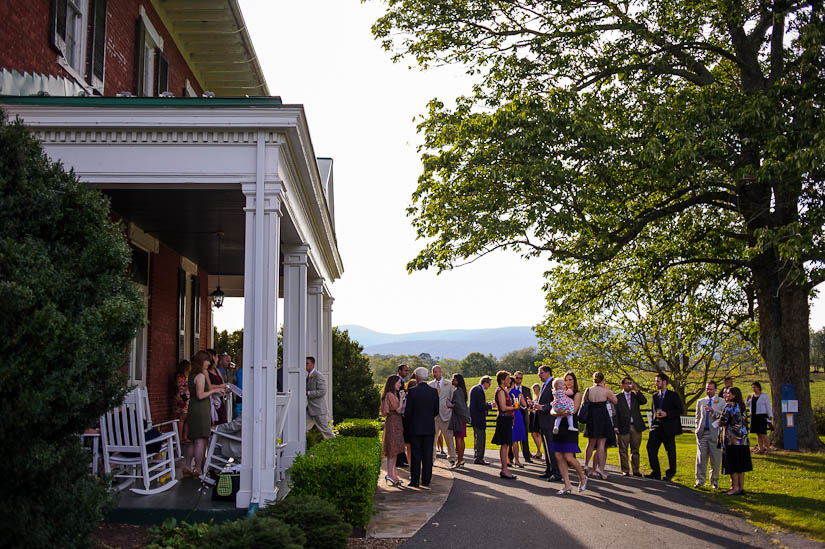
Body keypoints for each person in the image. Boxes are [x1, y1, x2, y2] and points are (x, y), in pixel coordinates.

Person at [186, 350, 225, 478]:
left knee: (193, 440)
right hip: (201, 409)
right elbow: (200, 395)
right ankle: (198, 469)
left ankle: (187, 466)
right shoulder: (201, 376)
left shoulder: (192, 375)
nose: (209, 363)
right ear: (202, 361)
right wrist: (215, 391)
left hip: (193, 408)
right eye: (207, 360)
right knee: (200, 440)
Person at [547, 371, 586, 494]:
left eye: (570, 380)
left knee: (569, 457)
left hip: (570, 427)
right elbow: (552, 410)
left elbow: (573, 410)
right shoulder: (558, 394)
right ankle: (567, 484)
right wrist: (557, 413)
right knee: (558, 456)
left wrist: (561, 412)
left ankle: (583, 477)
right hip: (559, 427)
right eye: (566, 380)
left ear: (574, 381)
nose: (568, 382)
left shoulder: (577, 394)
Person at [645, 372, 684, 480]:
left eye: (658, 381)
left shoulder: (673, 395)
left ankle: (670, 474)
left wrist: (667, 414)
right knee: (650, 448)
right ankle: (656, 472)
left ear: (664, 382)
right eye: (655, 381)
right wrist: (653, 423)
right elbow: (653, 410)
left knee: (670, 452)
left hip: (669, 428)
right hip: (657, 427)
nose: (656, 383)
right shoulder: (655, 396)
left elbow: (680, 410)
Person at [405, 367, 439, 488]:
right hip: (429, 427)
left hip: (416, 427)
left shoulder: (412, 392)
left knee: (415, 454)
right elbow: (436, 411)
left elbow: (408, 412)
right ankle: (426, 480)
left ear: (417, 378)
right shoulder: (434, 392)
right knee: (427, 454)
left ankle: (415, 480)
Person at [581, 372, 618, 480]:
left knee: (590, 443)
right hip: (602, 416)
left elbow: (584, 402)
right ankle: (601, 470)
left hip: (592, 417)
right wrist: (608, 390)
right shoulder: (606, 391)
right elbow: (615, 401)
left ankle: (586, 465)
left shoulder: (588, 390)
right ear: (603, 380)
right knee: (601, 444)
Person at [720, 386, 753, 495]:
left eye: (728, 393)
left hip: (732, 440)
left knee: (733, 464)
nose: (726, 395)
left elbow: (723, 421)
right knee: (741, 465)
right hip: (743, 440)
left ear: (734, 395)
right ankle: (740, 487)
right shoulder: (742, 407)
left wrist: (718, 417)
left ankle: (734, 487)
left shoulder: (729, 406)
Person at [614, 376, 647, 477]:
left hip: (635, 426)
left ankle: (636, 470)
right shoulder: (617, 397)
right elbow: (615, 413)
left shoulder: (635, 395)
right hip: (623, 426)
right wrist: (615, 427)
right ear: (622, 385)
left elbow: (644, 401)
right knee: (623, 449)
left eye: (630, 383)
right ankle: (625, 470)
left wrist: (637, 390)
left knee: (635, 449)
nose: (629, 385)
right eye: (627, 383)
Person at [694, 380, 725, 489]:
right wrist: (697, 430)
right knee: (701, 458)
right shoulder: (701, 401)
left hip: (715, 434)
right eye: (707, 389)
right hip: (703, 433)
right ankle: (700, 480)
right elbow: (697, 417)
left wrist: (713, 410)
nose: (708, 391)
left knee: (715, 459)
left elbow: (723, 417)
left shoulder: (721, 402)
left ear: (715, 390)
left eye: (711, 389)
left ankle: (714, 481)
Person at [534, 365, 562, 482]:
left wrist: (543, 407)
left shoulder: (553, 384)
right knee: (546, 447)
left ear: (548, 373)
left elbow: (555, 401)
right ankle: (549, 470)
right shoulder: (544, 385)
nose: (539, 375)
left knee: (551, 447)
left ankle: (557, 472)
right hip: (543, 421)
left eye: (540, 373)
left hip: (550, 420)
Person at [491, 370, 518, 479]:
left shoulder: (503, 390)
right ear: (502, 380)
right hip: (504, 419)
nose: (509, 380)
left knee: (506, 444)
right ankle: (504, 469)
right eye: (507, 379)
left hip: (506, 419)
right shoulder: (500, 391)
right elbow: (503, 407)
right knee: (505, 444)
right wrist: (514, 407)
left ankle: (505, 469)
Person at [380, 375, 406, 486]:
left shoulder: (391, 394)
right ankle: (391, 474)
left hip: (394, 423)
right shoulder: (390, 395)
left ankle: (392, 474)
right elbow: (399, 410)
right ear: (393, 383)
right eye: (398, 383)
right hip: (393, 424)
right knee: (392, 450)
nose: (400, 385)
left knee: (393, 451)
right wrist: (402, 399)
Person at [429, 365, 456, 465]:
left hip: (446, 415)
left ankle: (452, 457)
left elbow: (453, 399)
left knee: (449, 438)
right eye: (433, 372)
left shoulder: (448, 384)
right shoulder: (430, 385)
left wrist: (451, 406)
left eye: (436, 371)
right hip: (434, 417)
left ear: (441, 372)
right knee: (433, 439)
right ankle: (431, 458)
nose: (435, 374)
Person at [306, 356, 335, 438]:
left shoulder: (318, 376)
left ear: (313, 364)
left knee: (326, 432)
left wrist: (308, 393)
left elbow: (322, 391)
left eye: (307, 363)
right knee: (301, 427)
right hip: (310, 409)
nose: (305, 365)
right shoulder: (308, 376)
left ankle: (336, 447)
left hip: (318, 409)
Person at [447, 373, 472, 468]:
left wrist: (451, 405)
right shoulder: (462, 390)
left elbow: (458, 405)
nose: (452, 381)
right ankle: (461, 459)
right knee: (461, 438)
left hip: (458, 418)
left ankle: (459, 460)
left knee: (458, 438)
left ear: (458, 381)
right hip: (462, 418)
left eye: (454, 379)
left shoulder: (457, 391)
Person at [469, 375, 494, 465]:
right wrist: (491, 406)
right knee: (481, 438)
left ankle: (477, 456)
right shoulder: (479, 391)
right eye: (489, 384)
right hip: (479, 419)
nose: (489, 386)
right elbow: (481, 406)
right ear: (485, 383)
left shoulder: (475, 389)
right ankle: (479, 458)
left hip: (474, 418)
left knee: (477, 438)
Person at [511, 371, 533, 463]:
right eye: (517, 378)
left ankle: (526, 456)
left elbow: (529, 404)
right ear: (514, 378)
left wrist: (529, 404)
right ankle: (511, 457)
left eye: (520, 378)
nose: (519, 380)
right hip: (513, 414)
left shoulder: (526, 390)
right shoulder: (510, 390)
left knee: (524, 436)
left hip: (523, 415)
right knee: (513, 437)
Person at [509, 373, 529, 468]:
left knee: (508, 440)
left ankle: (508, 459)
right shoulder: (517, 393)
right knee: (515, 440)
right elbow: (524, 405)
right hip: (516, 415)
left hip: (508, 415)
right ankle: (516, 460)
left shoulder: (504, 392)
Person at [747, 381, 773, 454]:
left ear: (758, 387)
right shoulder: (752, 396)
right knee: (758, 434)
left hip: (761, 416)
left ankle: (768, 449)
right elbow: (747, 404)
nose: (753, 389)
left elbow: (768, 406)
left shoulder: (764, 396)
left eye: (754, 387)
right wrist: (747, 399)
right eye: (752, 387)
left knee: (763, 433)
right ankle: (760, 448)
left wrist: (770, 415)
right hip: (754, 416)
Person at [396, 363, 411, 468]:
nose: (406, 372)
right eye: (405, 370)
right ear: (399, 370)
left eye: (407, 370)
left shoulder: (402, 381)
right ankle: (400, 459)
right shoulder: (398, 381)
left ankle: (401, 458)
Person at [207, 358, 227, 425]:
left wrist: (226, 389)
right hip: (211, 400)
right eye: (216, 357)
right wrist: (221, 386)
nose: (217, 359)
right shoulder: (206, 372)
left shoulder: (217, 370)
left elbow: (223, 384)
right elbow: (209, 386)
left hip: (220, 399)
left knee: (222, 421)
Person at [403, 378, 418, 466]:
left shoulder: (406, 398)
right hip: (412, 425)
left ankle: (411, 467)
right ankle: (414, 467)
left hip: (408, 425)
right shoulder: (407, 398)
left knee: (409, 448)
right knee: (413, 448)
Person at [175, 359, 191, 443]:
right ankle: (180, 437)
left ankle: (185, 436)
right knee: (182, 418)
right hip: (182, 398)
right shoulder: (180, 376)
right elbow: (180, 387)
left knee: (188, 418)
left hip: (188, 398)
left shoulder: (187, 376)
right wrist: (184, 398)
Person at [528, 382, 543, 460]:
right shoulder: (536, 398)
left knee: (535, 433)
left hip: (535, 416)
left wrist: (529, 408)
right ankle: (538, 451)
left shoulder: (538, 398)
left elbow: (535, 408)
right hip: (534, 416)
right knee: (537, 434)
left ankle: (539, 451)